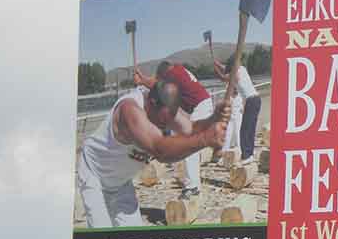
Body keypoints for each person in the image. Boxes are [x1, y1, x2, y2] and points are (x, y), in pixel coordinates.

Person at [76, 82, 228, 228]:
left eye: (170, 119)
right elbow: (160, 150)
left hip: (121, 183)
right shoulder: (129, 111)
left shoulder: (165, 110)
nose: (166, 125)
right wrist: (205, 139)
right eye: (163, 120)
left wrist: (214, 118)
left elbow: (191, 129)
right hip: (95, 176)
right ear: (152, 103)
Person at [135, 61, 213, 199]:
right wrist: (143, 79)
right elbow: (156, 83)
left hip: (201, 106)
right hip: (203, 105)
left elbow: (157, 86)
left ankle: (192, 187)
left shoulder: (173, 74)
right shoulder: (178, 70)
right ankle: (194, 184)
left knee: (189, 146)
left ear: (164, 73)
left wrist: (142, 81)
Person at [213, 58, 262, 165]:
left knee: (244, 130)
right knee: (250, 129)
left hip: (251, 101)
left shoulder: (234, 74)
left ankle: (247, 156)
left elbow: (223, 78)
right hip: (256, 99)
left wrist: (216, 69)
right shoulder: (242, 68)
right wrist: (218, 64)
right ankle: (249, 154)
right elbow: (226, 68)